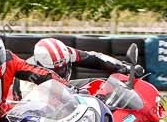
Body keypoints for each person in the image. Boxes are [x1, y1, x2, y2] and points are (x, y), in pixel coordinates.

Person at [14, 37, 144, 99]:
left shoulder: (65, 54)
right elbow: (43, 107)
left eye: (64, 68)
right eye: (57, 71)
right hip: (31, 108)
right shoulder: (28, 78)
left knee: (98, 85)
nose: (62, 72)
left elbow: (94, 58)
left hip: (60, 90)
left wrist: (123, 67)